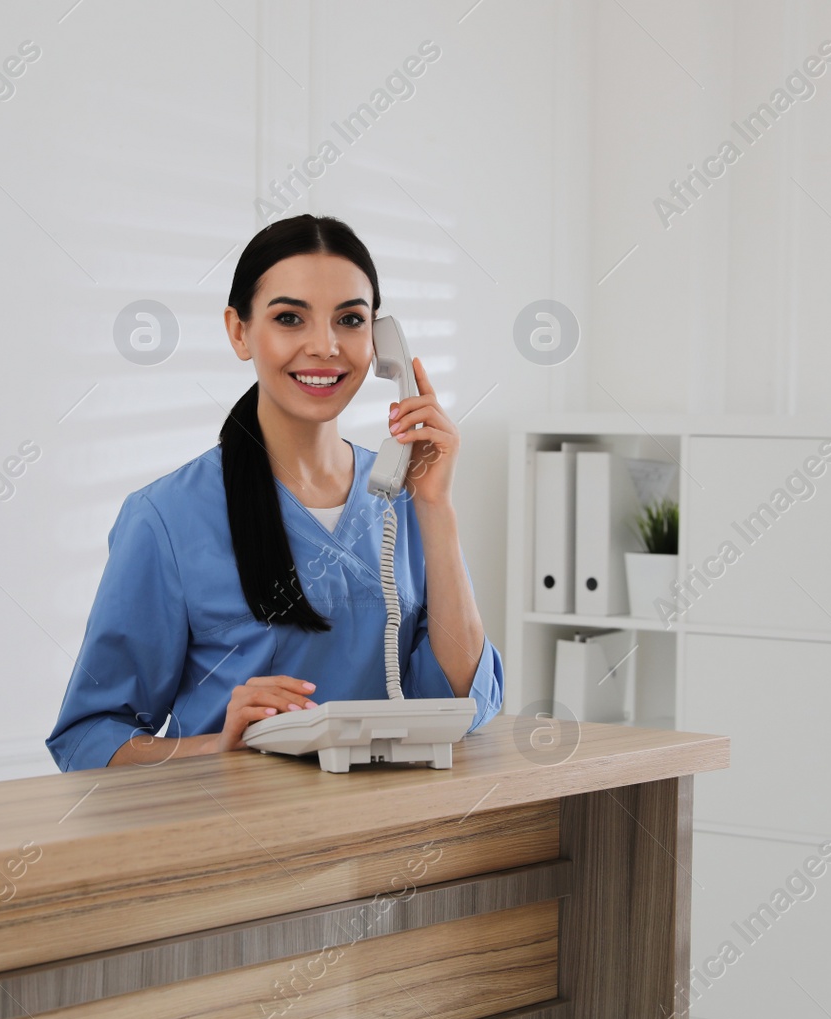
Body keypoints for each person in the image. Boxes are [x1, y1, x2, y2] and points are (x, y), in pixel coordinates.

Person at [45, 213, 503, 770]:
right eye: (290, 318)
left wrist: (435, 505)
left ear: (380, 341)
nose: (325, 346)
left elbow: (463, 700)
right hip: (239, 836)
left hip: (389, 835)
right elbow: (88, 741)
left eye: (350, 320)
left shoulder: (405, 499)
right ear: (239, 331)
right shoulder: (166, 517)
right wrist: (218, 747)